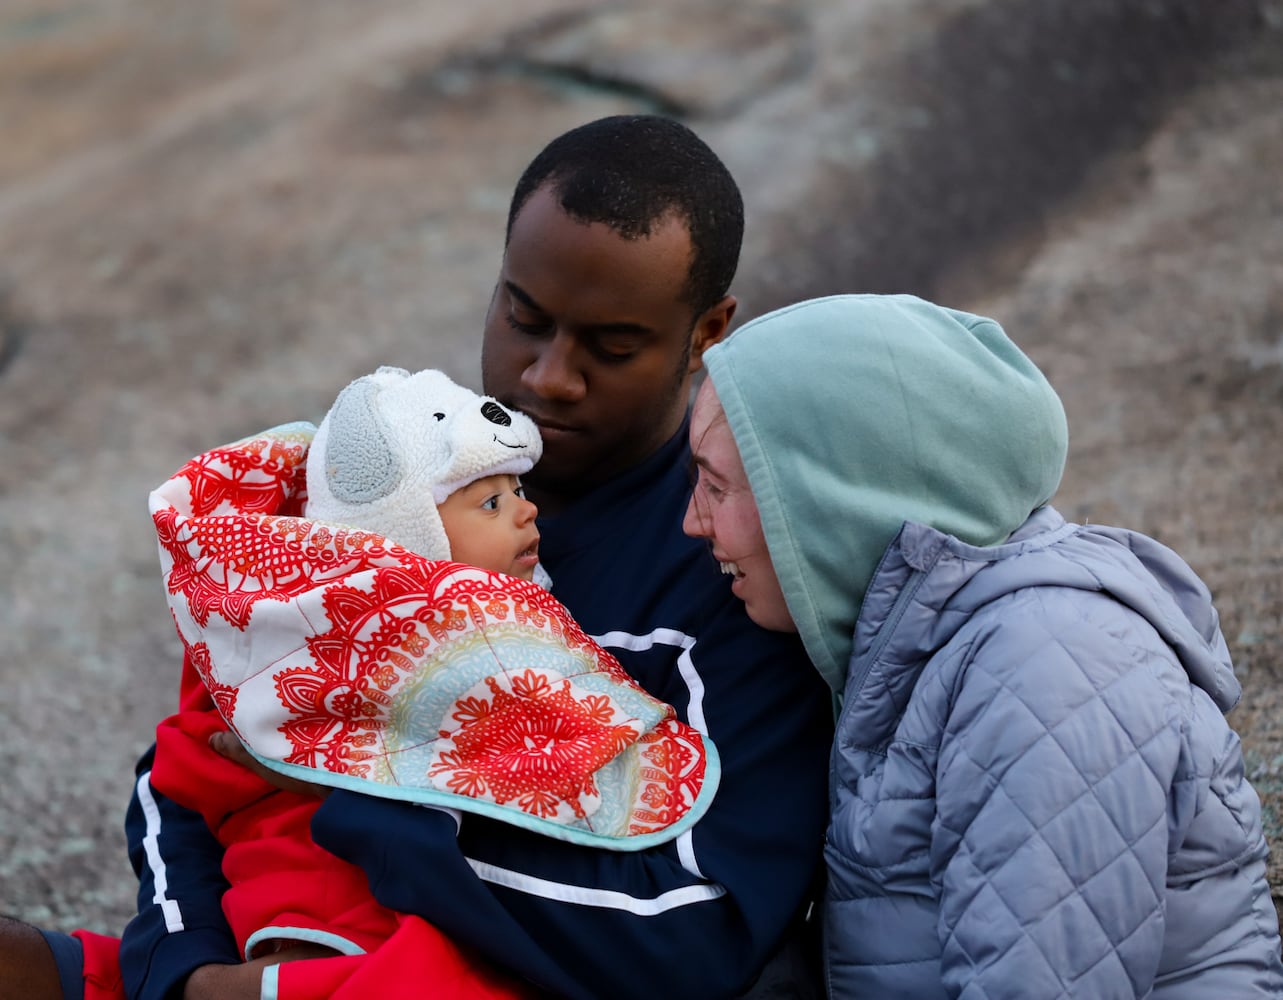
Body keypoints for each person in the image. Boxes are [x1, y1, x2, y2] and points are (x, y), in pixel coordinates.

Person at [111, 114, 832, 1000]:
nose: (547, 378)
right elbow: (190, 761)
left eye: (611, 347)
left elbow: (698, 928)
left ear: (708, 330)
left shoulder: (730, 566)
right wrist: (185, 974)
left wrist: (357, 790)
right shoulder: (390, 475)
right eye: (523, 318)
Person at [682, 292, 1283, 998]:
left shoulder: (1047, 662)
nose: (693, 521)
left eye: (716, 485)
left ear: (836, 496)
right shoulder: (925, 650)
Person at [134, 366, 719, 999]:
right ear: (410, 535)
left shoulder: (507, 615)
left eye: (517, 488)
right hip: (318, 892)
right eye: (491, 503)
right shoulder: (319, 630)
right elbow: (191, 761)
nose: (527, 510)